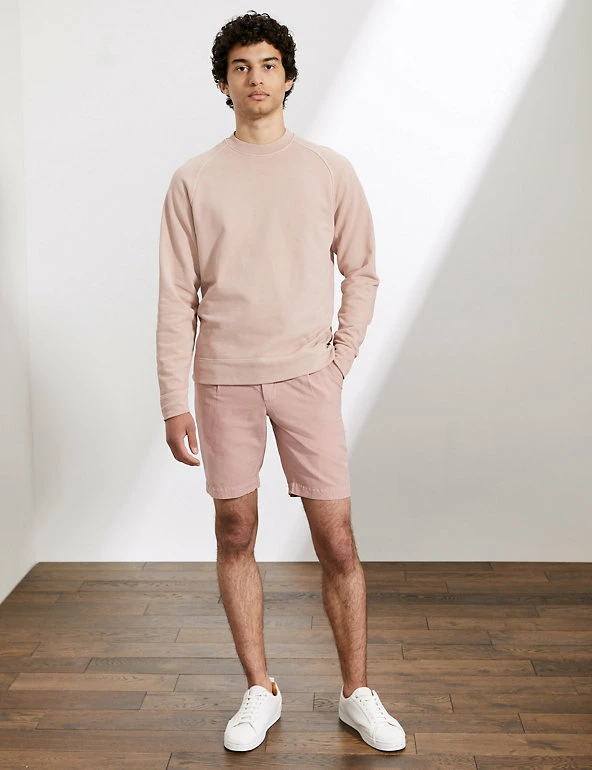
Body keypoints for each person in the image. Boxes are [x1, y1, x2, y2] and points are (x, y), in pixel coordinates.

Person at [156, 10, 405, 755]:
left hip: (307, 379)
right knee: (235, 531)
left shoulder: (328, 170)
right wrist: (173, 400)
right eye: (240, 67)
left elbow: (361, 270)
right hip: (222, 382)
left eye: (267, 64)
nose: (255, 77)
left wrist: (338, 362)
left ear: (288, 78)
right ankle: (259, 689)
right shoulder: (193, 180)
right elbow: (175, 298)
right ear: (223, 84)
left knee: (338, 539)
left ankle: (357, 693)